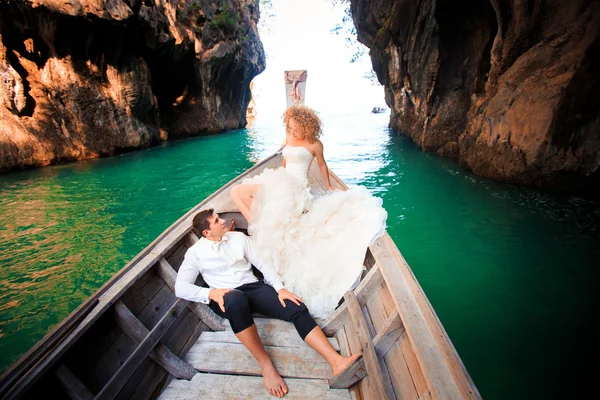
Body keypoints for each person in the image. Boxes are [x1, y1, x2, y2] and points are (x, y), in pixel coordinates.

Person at [175, 209, 360, 398]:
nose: (223, 221)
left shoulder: (238, 238)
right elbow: (180, 287)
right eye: (216, 221)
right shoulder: (195, 254)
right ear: (207, 232)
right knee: (235, 299)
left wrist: (280, 289)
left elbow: (263, 265)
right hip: (226, 296)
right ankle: (265, 365)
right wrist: (211, 293)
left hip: (253, 288)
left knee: (295, 307)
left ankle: (336, 361)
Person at [229, 105, 387, 319]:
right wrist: (275, 178)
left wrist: (329, 187)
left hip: (296, 187)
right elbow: (285, 162)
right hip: (282, 179)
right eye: (290, 127)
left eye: (296, 127)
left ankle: (261, 227)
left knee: (275, 216)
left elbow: (322, 166)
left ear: (306, 125)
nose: (293, 131)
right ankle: (255, 223)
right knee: (237, 191)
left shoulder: (315, 144)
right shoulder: (288, 136)